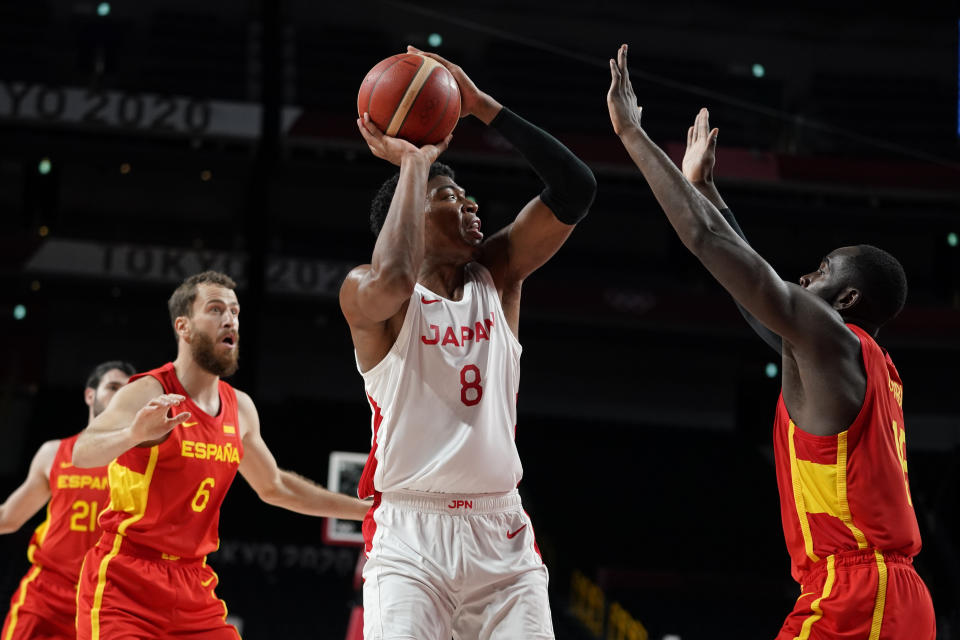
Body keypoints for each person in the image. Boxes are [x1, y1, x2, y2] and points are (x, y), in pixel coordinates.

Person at [607, 44, 936, 638]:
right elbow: (751, 294)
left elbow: (712, 248)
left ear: (848, 300)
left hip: (858, 594)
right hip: (877, 592)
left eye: (822, 269)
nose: (806, 276)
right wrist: (705, 189)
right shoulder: (851, 358)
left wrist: (632, 135)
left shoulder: (833, 338)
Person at [342, 46, 596, 640]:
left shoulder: (497, 275)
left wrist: (484, 108)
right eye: (451, 198)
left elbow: (575, 189)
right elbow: (396, 276)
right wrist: (411, 164)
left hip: (501, 537)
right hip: (411, 536)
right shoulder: (368, 294)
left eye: (469, 197)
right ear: (410, 218)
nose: (472, 204)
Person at [70, 271, 371, 640]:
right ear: (183, 326)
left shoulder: (239, 407)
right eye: (215, 309)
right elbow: (82, 453)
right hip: (126, 578)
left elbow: (275, 486)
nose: (230, 319)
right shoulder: (146, 391)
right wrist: (134, 433)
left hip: (192, 583)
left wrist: (364, 510)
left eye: (235, 311)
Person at [0, 360, 134, 640]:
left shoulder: (143, 463)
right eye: (112, 387)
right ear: (90, 395)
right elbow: (8, 518)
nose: (120, 395)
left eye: (128, 391)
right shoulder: (54, 453)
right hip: (47, 593)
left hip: (104, 601)